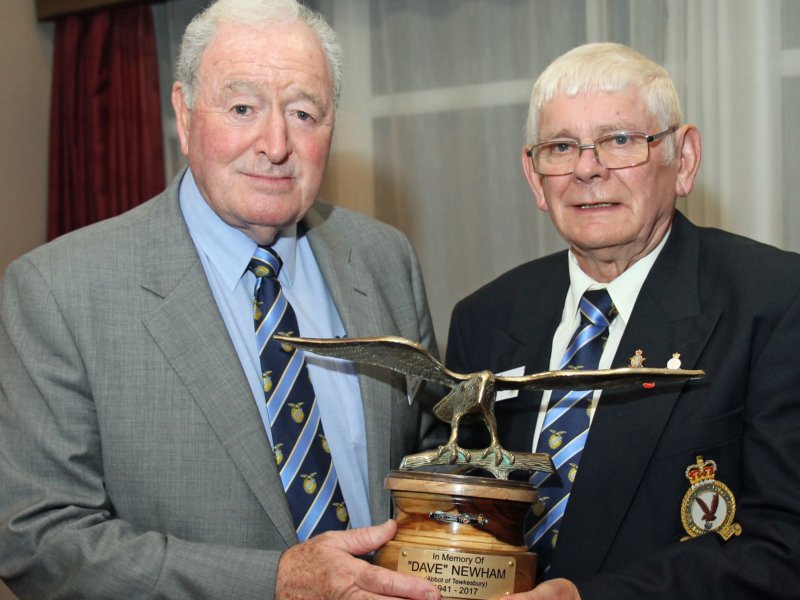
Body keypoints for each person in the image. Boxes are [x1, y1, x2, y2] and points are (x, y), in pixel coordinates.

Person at [0, 1, 440, 598]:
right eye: (242, 109)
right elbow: (39, 539)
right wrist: (272, 583)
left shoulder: (385, 258)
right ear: (184, 115)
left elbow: (430, 458)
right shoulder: (59, 291)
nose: (276, 145)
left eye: (304, 113)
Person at [446, 42, 800, 599]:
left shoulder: (774, 301)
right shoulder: (484, 318)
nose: (588, 169)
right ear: (535, 177)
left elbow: (785, 542)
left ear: (683, 160)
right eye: (561, 147)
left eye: (619, 141)